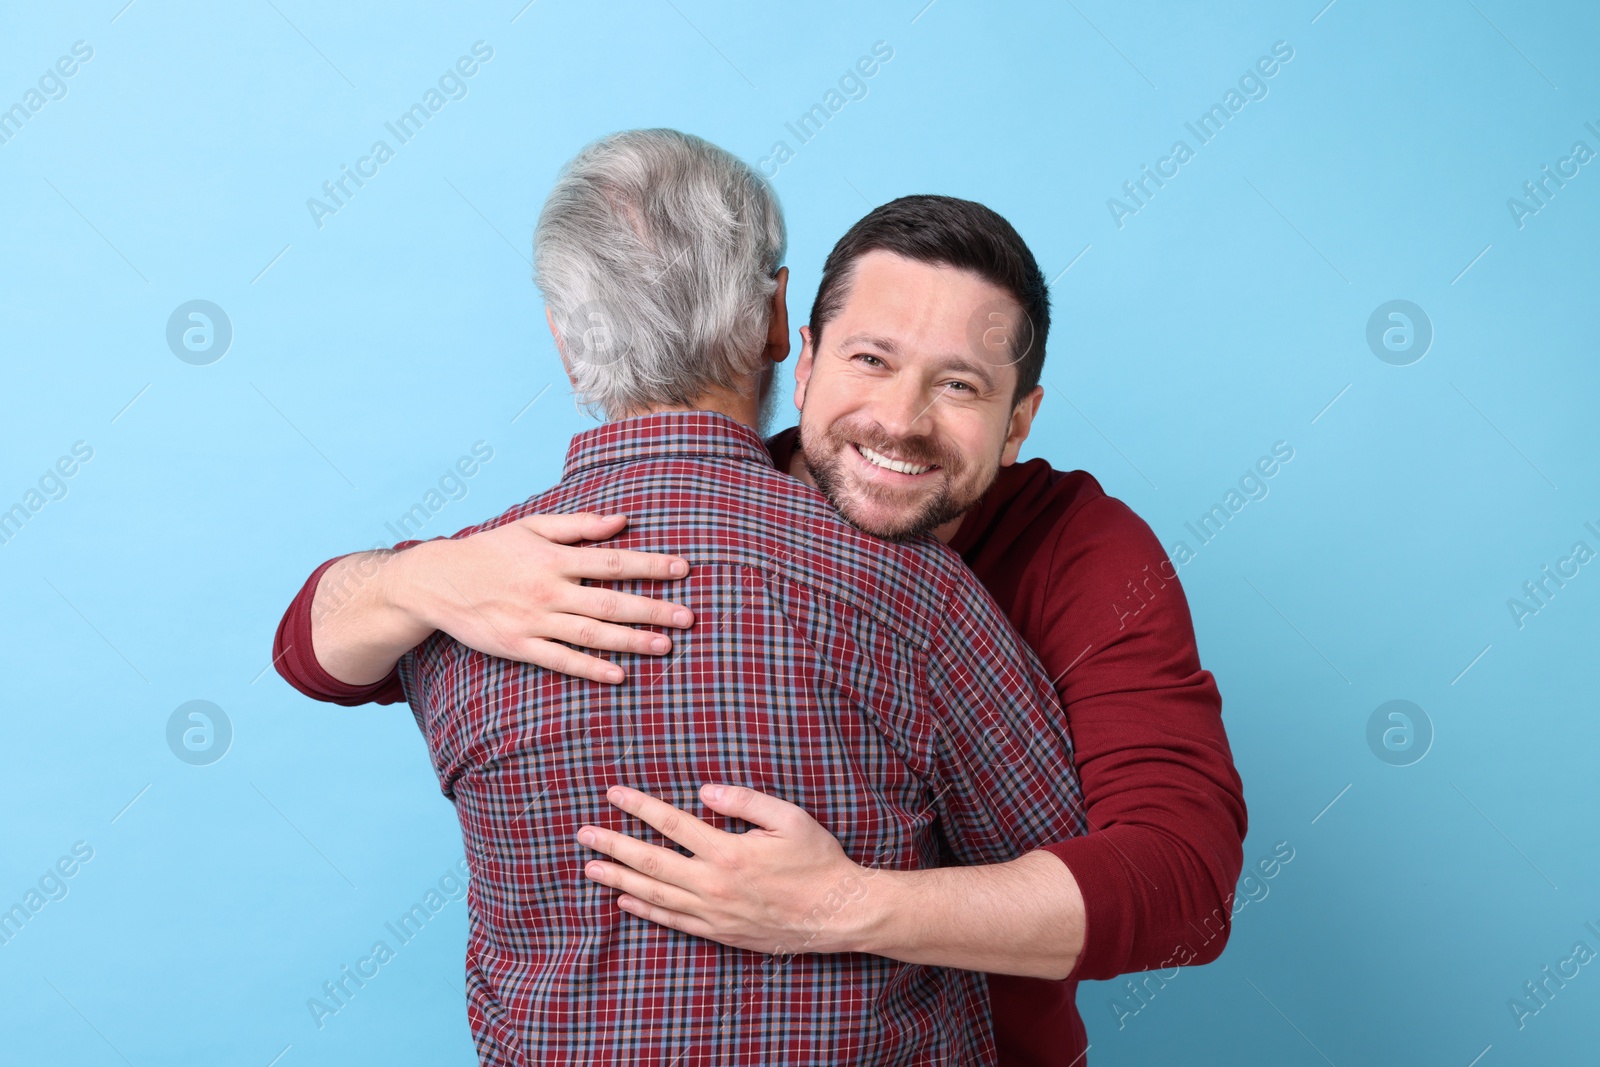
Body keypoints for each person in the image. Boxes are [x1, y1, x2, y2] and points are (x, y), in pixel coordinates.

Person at [276, 185, 1248, 1065]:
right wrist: (417, 578)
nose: (900, 421)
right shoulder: (602, 539)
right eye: (872, 360)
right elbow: (314, 650)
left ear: (1018, 420)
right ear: (803, 347)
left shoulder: (1078, 550)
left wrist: (842, 904)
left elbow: (1180, 890)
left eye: (958, 386)